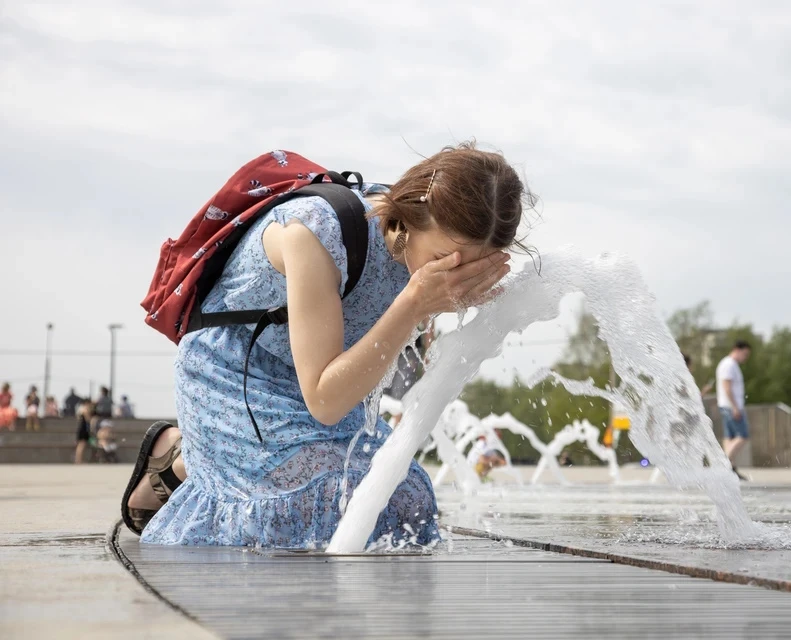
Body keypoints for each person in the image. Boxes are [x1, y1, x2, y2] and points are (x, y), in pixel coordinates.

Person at [121, 142, 528, 547]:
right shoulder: (315, 233)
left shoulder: (422, 251)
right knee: (311, 505)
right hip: (237, 373)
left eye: (473, 264)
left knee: (407, 500)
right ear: (414, 216)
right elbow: (325, 401)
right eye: (445, 257)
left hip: (321, 377)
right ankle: (182, 457)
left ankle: (187, 460)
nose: (455, 274)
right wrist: (415, 302)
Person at [716, 341, 751, 480]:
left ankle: (730, 467)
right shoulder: (729, 364)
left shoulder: (730, 364)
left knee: (729, 437)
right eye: (745, 354)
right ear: (737, 349)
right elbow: (727, 386)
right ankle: (723, 464)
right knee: (743, 435)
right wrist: (735, 407)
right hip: (730, 406)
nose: (746, 357)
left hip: (727, 405)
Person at [75, 400, 93, 465]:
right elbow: (88, 418)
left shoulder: (80, 409)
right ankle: (79, 460)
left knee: (81, 445)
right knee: (81, 445)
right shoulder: (85, 409)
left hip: (82, 427)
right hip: (84, 428)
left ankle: (79, 460)